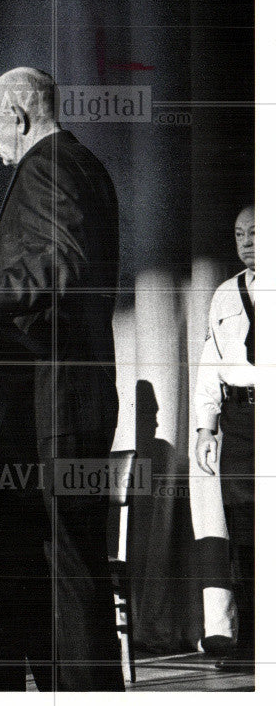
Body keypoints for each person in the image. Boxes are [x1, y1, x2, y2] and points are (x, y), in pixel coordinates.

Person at [0, 67, 124, 691]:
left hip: (61, 399)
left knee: (68, 566)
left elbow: (64, 264)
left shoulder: (46, 165)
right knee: (72, 563)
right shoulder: (86, 164)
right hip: (79, 394)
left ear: (17, 118)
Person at [193, 204, 255, 670]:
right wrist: (205, 429)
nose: (247, 241)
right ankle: (252, 641)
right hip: (240, 422)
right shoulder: (224, 295)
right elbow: (210, 367)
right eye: (239, 234)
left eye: (257, 232)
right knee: (246, 534)